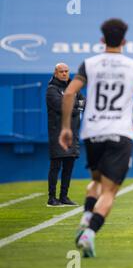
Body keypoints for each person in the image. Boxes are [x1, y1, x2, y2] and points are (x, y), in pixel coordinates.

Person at [59, 18, 133, 257]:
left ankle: (85, 217)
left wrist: (65, 128)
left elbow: (69, 92)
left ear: (102, 40)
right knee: (109, 192)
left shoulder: (89, 64)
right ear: (124, 41)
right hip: (120, 133)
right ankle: (89, 232)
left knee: (97, 182)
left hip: (92, 132)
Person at [46, 63, 85, 207]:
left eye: (66, 71)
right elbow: (62, 107)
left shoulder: (73, 88)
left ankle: (64, 196)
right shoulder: (51, 90)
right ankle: (51, 197)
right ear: (55, 73)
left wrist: (75, 106)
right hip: (57, 133)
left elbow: (82, 101)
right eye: (61, 71)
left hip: (73, 132)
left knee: (69, 165)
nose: (64, 74)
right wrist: (76, 108)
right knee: (56, 165)